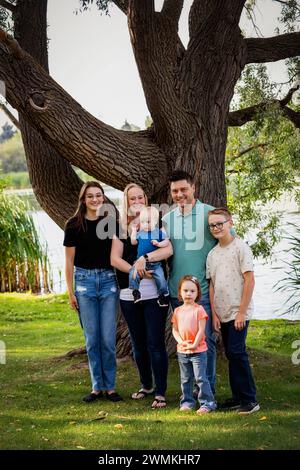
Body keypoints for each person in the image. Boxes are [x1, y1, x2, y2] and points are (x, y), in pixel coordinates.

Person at [110, 183, 173, 409]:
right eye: (132, 199)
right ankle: (146, 385)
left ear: (145, 200)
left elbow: (167, 250)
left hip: (155, 292)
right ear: (126, 202)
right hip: (129, 293)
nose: (136, 202)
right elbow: (115, 259)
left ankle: (161, 392)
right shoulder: (121, 228)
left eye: (140, 198)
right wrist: (135, 269)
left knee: (156, 343)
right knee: (138, 343)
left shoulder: (157, 223)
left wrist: (143, 259)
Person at [64, 181, 122, 403]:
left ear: (103, 198)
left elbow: (120, 253)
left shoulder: (111, 223)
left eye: (99, 195)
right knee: (92, 340)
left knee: (107, 339)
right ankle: (97, 386)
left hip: (108, 283)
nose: (95, 200)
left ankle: (111, 387)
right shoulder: (73, 225)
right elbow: (69, 262)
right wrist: (71, 293)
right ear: (83, 199)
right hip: (84, 284)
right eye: (91, 196)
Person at [159, 170, 217, 396]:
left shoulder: (209, 213)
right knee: (185, 343)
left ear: (193, 188)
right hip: (177, 293)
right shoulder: (167, 219)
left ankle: (207, 392)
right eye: (175, 191)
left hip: (203, 293)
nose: (179, 194)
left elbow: (227, 243)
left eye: (184, 189)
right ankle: (189, 391)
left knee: (206, 344)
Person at [206, 207, 260, 414]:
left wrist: (241, 313)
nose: (216, 228)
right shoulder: (212, 254)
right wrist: (215, 314)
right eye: (212, 225)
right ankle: (238, 396)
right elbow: (211, 285)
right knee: (230, 353)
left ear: (230, 223)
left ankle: (250, 400)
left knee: (237, 352)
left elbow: (249, 280)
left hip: (239, 312)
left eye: (220, 223)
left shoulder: (241, 248)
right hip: (222, 312)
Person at [172, 276, 217, 414]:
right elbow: (175, 330)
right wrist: (181, 342)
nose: (189, 294)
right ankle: (187, 402)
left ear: (197, 293)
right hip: (183, 351)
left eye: (192, 291)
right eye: (185, 290)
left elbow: (201, 330)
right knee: (185, 379)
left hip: (198, 351)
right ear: (180, 292)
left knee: (200, 378)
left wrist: (194, 345)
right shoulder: (177, 311)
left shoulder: (199, 310)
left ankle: (208, 403)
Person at [129, 205, 169, 306]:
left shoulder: (158, 232)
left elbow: (166, 242)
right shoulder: (141, 233)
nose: (145, 225)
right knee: (133, 274)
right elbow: (133, 242)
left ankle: (162, 295)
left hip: (155, 264)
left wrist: (159, 244)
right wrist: (134, 231)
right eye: (142, 222)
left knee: (161, 278)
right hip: (140, 263)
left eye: (148, 222)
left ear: (155, 221)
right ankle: (135, 292)